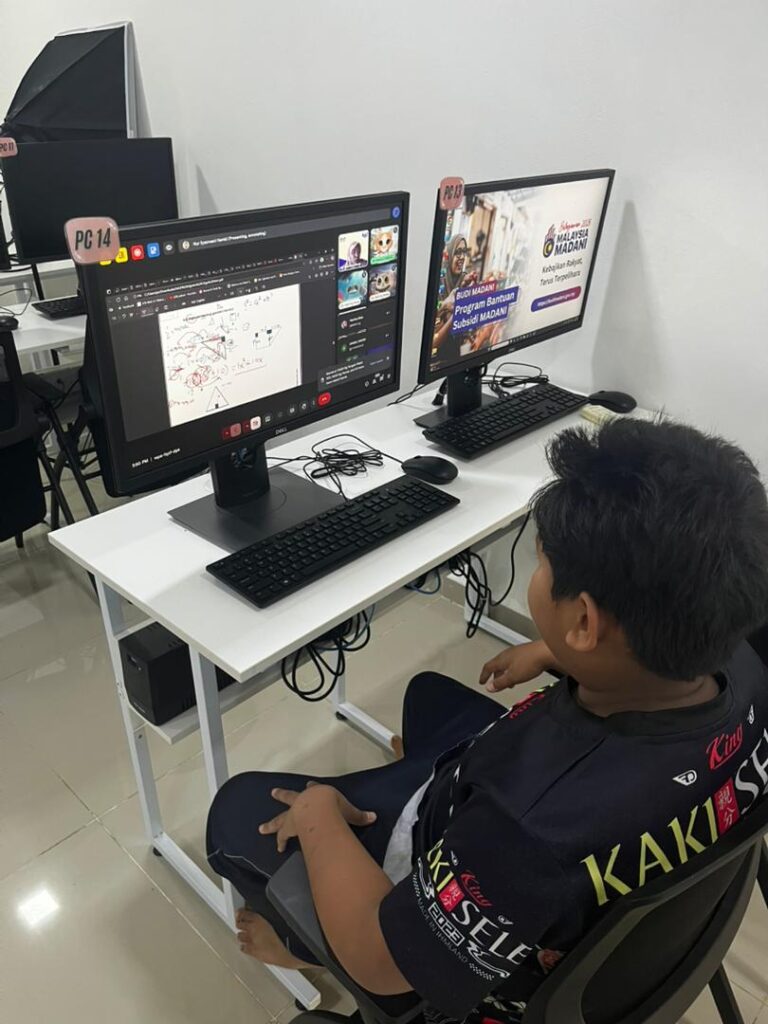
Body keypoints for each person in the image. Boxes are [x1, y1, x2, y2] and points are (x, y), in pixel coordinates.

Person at [207, 418, 768, 1024]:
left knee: (236, 811)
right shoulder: (742, 664)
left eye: (541, 563)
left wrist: (320, 816)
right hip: (582, 839)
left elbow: (382, 962)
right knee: (427, 695)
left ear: (585, 622)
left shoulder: (524, 833)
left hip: (448, 923)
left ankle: (301, 947)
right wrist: (555, 651)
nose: (536, 574)